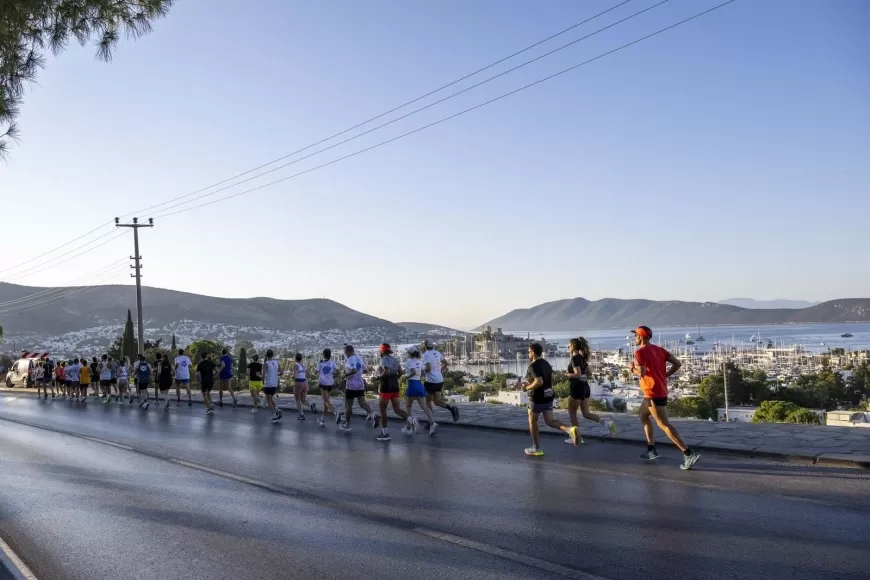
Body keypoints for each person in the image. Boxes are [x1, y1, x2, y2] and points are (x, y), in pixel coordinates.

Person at [629, 326, 700, 470]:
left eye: (635, 335)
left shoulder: (639, 352)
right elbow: (677, 363)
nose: (634, 338)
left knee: (663, 424)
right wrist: (665, 375)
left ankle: (688, 453)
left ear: (641, 337)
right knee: (643, 416)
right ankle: (651, 449)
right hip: (656, 390)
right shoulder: (660, 350)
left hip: (652, 392)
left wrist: (632, 369)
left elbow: (641, 373)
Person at [518, 343, 579, 456]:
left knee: (533, 422)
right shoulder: (546, 363)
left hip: (537, 398)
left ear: (533, 352)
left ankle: (537, 448)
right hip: (548, 396)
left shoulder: (533, 365)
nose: (528, 354)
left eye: (528, 352)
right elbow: (547, 380)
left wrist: (526, 388)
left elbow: (539, 381)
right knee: (550, 421)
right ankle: (570, 430)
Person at [565, 337, 617, 444]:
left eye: (569, 346)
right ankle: (607, 424)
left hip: (576, 388)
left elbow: (577, 374)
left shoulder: (575, 359)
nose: (568, 347)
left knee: (572, 413)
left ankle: (577, 438)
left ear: (573, 346)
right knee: (586, 413)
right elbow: (588, 373)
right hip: (585, 388)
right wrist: (581, 376)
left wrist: (566, 374)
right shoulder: (582, 358)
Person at [375, 343, 408, 441]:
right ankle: (411, 419)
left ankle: (385, 433)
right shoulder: (395, 359)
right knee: (397, 409)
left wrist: (378, 378)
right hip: (395, 385)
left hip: (386, 386)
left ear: (382, 351)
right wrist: (395, 378)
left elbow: (386, 371)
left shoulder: (383, 359)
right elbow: (401, 372)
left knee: (382, 411)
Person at [402, 345, 437, 436]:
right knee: (425, 407)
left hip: (412, 385)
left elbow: (413, 372)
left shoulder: (409, 362)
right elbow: (422, 372)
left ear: (409, 353)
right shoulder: (419, 361)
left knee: (408, 407)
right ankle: (432, 423)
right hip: (419, 385)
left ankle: (409, 426)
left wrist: (406, 377)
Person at [422, 339, 459, 422]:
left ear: (425, 345)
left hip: (431, 382)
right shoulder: (437, 353)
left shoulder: (425, 355)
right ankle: (451, 408)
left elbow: (428, 368)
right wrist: (440, 371)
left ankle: (431, 422)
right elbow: (445, 363)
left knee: (426, 402)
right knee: (437, 401)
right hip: (439, 380)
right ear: (432, 345)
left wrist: (422, 371)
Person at [340, 344, 374, 431]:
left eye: (345, 352)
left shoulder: (350, 359)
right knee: (362, 403)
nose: (345, 353)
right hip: (360, 384)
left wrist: (345, 375)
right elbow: (365, 370)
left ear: (348, 352)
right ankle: (372, 415)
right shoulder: (359, 358)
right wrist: (357, 374)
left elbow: (354, 370)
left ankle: (347, 424)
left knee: (348, 405)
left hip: (351, 385)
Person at [315, 349, 337, 427]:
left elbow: (316, 372)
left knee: (326, 402)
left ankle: (336, 413)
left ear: (323, 355)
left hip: (323, 384)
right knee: (326, 402)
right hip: (330, 384)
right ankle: (323, 419)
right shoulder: (333, 362)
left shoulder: (320, 363)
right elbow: (335, 372)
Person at [263, 349, 282, 423]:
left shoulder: (266, 363)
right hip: (275, 384)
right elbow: (282, 372)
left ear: (266, 355)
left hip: (268, 384)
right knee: (271, 399)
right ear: (272, 355)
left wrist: (262, 380)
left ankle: (274, 416)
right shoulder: (276, 362)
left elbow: (264, 375)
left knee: (269, 401)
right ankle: (277, 409)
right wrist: (275, 375)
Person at [292, 352, 312, 420]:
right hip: (305, 383)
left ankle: (301, 415)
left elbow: (295, 376)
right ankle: (311, 405)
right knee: (303, 400)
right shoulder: (304, 365)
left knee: (297, 400)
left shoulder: (296, 365)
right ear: (301, 359)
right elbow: (309, 374)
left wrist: (293, 378)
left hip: (299, 383)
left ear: (295, 358)